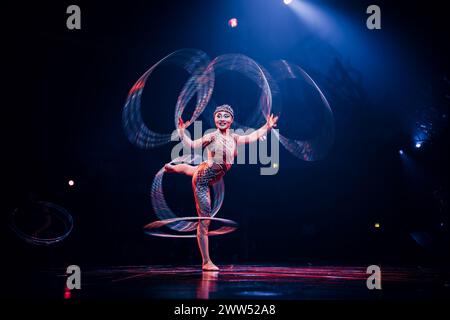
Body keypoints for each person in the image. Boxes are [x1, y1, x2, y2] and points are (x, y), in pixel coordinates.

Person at [164, 104, 278, 271]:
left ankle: (174, 168)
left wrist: (267, 127)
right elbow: (192, 144)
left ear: (231, 120)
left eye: (226, 116)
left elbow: (253, 136)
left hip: (207, 174)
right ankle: (206, 262)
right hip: (203, 180)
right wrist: (182, 132)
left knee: (194, 169)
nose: (222, 118)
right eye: (219, 116)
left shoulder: (234, 138)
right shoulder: (211, 137)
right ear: (215, 119)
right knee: (205, 221)